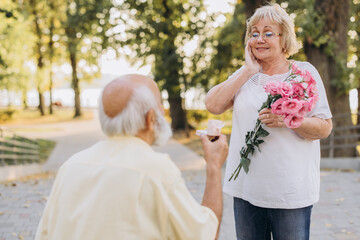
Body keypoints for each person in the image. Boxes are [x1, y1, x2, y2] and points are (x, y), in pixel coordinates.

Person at [35, 74, 229, 240]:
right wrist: (213, 165)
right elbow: (204, 234)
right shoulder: (157, 170)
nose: (164, 111)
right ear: (150, 119)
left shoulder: (71, 165)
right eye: (160, 104)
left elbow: (44, 233)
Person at [205, 3, 332, 240]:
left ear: (285, 39)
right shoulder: (246, 75)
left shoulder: (303, 74)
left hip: (290, 193)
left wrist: (290, 119)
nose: (259, 39)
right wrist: (247, 71)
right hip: (246, 190)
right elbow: (213, 105)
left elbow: (324, 127)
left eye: (268, 33)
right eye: (254, 33)